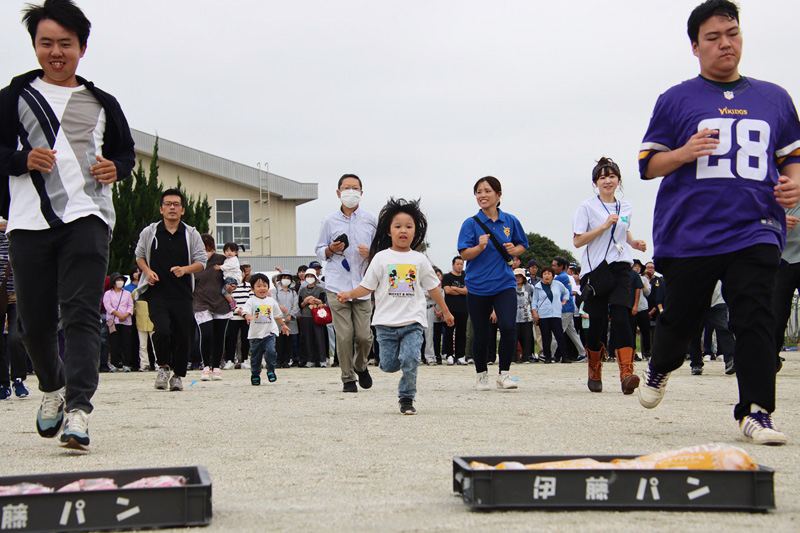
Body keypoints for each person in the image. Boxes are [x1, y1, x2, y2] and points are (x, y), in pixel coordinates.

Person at [637, 0, 800, 445]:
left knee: (756, 316)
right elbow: (648, 165)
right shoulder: (676, 99)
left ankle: (756, 411)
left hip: (757, 226)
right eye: (713, 37)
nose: (725, 43)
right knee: (682, 319)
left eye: (733, 33)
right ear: (695, 46)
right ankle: (660, 365)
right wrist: (684, 153)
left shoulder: (775, 98)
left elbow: (793, 158)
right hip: (691, 232)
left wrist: (794, 185)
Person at [0, 0, 135, 449]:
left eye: (65, 44)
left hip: (87, 218)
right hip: (27, 222)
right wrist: (21, 160)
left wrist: (116, 168)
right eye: (46, 43)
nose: (55, 52)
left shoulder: (101, 102)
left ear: (81, 47)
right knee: (33, 325)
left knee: (80, 314)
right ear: (35, 46)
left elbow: (125, 156)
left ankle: (79, 409)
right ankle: (52, 389)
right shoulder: (13, 98)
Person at [337, 198, 454, 414]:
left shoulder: (419, 259)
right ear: (389, 231)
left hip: (413, 322)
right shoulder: (381, 258)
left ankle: (407, 398)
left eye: (408, 227)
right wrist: (349, 294)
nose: (403, 231)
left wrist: (445, 310)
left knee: (410, 359)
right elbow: (367, 287)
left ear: (415, 231)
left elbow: (434, 288)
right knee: (389, 365)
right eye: (397, 226)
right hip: (385, 324)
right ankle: (378, 365)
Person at [574, 157, 647, 394]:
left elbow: (624, 232)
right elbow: (577, 241)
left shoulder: (625, 206)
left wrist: (634, 242)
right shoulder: (586, 207)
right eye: (602, 177)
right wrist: (603, 227)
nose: (607, 181)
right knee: (596, 322)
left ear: (618, 180)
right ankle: (594, 368)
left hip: (621, 266)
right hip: (596, 270)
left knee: (622, 316)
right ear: (596, 182)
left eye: (611, 176)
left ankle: (627, 372)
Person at [457, 176, 528, 390]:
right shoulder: (470, 223)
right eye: (478, 191)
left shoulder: (510, 221)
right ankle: (481, 376)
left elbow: (522, 244)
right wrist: (478, 248)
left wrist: (516, 250)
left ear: (498, 195)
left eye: (487, 191)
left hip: (504, 283)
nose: (482, 195)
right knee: (481, 332)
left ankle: (504, 374)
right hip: (478, 285)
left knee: (508, 327)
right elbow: (464, 254)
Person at [135, 189, 206, 392]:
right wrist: (147, 271)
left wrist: (185, 269)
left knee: (184, 334)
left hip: (182, 293)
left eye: (176, 204)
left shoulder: (191, 234)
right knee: (162, 330)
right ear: (161, 209)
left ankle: (178, 375)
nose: (172, 207)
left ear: (182, 210)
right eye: (168, 204)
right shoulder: (150, 232)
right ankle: (164, 366)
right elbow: (139, 255)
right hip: (157, 292)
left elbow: (202, 261)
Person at [315, 174, 377, 392]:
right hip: (336, 285)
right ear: (338, 192)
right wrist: (331, 249)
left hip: (362, 285)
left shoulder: (370, 219)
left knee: (364, 335)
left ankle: (360, 366)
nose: (351, 192)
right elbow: (319, 249)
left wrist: (371, 253)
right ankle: (347, 378)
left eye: (355, 188)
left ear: (361, 191)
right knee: (344, 335)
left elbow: (381, 250)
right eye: (346, 188)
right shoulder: (329, 220)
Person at [194, 234, 233, 381]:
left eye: (209, 249)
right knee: (207, 333)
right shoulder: (194, 260)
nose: (206, 252)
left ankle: (216, 366)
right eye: (203, 249)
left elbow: (233, 274)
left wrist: (232, 285)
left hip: (220, 302)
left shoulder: (221, 259)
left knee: (219, 335)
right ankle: (205, 366)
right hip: (201, 302)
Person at [242, 273, 290, 385]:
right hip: (255, 335)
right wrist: (248, 316)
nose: (262, 288)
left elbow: (277, 315)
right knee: (255, 357)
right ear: (252, 288)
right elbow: (245, 311)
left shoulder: (271, 301)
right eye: (258, 286)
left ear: (268, 288)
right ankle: (255, 374)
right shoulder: (251, 301)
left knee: (271, 352)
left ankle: (271, 371)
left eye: (264, 286)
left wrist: (282, 325)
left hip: (269, 333)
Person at [0, 218, 29, 400]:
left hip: (18, 295)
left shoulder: (19, 239)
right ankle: (3, 382)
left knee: (15, 338)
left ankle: (18, 378)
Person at [531, 267, 570, 364]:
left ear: (552, 276)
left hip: (556, 314)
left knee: (560, 335)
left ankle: (564, 356)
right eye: (544, 274)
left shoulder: (558, 284)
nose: (546, 276)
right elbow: (534, 301)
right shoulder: (537, 286)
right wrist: (534, 313)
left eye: (549, 274)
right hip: (543, 315)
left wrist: (564, 301)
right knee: (545, 336)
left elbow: (566, 292)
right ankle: (547, 357)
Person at [551, 257, 585, 362]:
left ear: (561, 267)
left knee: (557, 333)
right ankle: (583, 353)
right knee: (572, 333)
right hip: (568, 308)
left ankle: (550, 354)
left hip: (564, 309)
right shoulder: (565, 277)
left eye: (554, 265)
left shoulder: (559, 278)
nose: (552, 267)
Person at [103, 272, 133, 372]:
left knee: (127, 343)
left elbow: (130, 305)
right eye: (118, 280)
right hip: (113, 321)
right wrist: (118, 314)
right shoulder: (108, 293)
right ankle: (115, 363)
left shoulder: (127, 293)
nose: (120, 282)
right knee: (114, 343)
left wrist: (126, 315)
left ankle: (127, 364)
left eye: (121, 280)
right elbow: (108, 306)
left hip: (126, 321)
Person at [224, 264, 252, 369]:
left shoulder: (249, 286)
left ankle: (244, 359)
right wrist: (237, 310)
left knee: (245, 339)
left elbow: (251, 300)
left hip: (246, 317)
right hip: (233, 316)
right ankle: (230, 360)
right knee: (231, 339)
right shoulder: (229, 287)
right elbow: (228, 300)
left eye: (242, 272)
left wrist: (245, 312)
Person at [298, 270, 328, 368]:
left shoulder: (320, 289)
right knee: (308, 338)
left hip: (318, 316)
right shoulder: (302, 290)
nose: (310, 277)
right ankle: (310, 359)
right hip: (306, 316)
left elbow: (324, 302)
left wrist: (316, 300)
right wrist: (306, 301)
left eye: (312, 276)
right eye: (308, 276)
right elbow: (300, 304)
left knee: (320, 338)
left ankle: (322, 359)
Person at [441, 256, 468, 365]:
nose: (460, 266)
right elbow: (447, 291)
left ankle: (460, 355)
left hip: (463, 308)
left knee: (461, 333)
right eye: (458, 264)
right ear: (453, 264)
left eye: (461, 264)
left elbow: (467, 291)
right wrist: (461, 290)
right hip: (450, 309)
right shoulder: (447, 277)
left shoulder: (466, 276)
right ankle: (449, 355)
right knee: (449, 332)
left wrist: (455, 289)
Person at [273, 272, 300, 368]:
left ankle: (286, 360)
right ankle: (278, 360)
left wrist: (290, 315)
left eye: (288, 278)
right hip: (278, 320)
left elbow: (296, 305)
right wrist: (279, 308)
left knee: (289, 341)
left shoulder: (293, 292)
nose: (286, 279)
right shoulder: (275, 291)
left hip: (290, 320)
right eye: (284, 277)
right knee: (278, 341)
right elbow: (273, 302)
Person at [514, 268, 535, 363]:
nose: (518, 279)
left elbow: (533, 300)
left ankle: (526, 357)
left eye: (520, 276)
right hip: (514, 316)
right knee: (513, 338)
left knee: (527, 338)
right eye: (516, 277)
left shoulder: (530, 287)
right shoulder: (510, 287)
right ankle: (513, 357)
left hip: (527, 316)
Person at [218, 242, 242, 311]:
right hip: (229, 278)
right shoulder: (227, 260)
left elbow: (229, 266)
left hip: (232, 278)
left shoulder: (234, 259)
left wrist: (220, 267)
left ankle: (232, 302)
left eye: (232, 251)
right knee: (227, 291)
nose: (229, 252)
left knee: (224, 291)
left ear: (236, 252)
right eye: (227, 251)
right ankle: (232, 300)